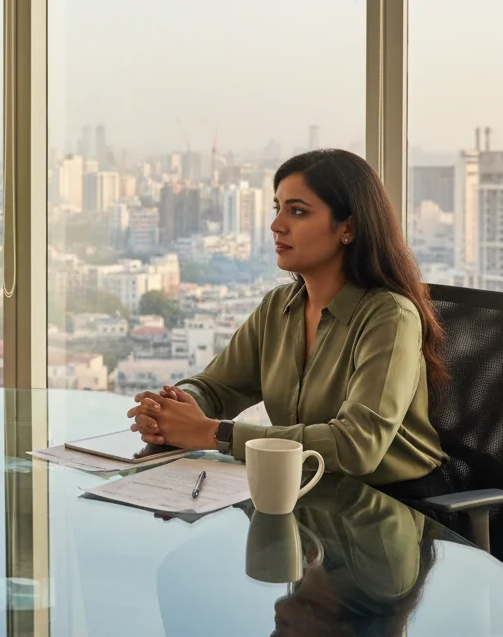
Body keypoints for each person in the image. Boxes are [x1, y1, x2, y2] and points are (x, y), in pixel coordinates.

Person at [129, 149, 449, 495]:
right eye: (277, 208)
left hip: (392, 505)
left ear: (348, 227)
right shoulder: (279, 307)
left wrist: (214, 434)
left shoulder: (390, 316)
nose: (276, 225)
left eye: (297, 211)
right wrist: (171, 409)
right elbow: (216, 387)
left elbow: (357, 446)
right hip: (301, 491)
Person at [269, 475, 439, 637]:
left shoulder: (291, 556)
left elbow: (245, 495)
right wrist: (274, 482)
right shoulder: (384, 580)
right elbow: (366, 501)